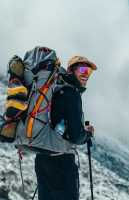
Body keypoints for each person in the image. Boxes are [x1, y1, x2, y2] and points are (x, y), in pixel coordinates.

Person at [34, 55, 97, 200]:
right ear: (71, 70)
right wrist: (87, 134)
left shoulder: (55, 89)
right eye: (83, 69)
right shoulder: (71, 94)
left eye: (89, 72)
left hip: (43, 158)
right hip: (62, 162)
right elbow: (75, 136)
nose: (86, 74)